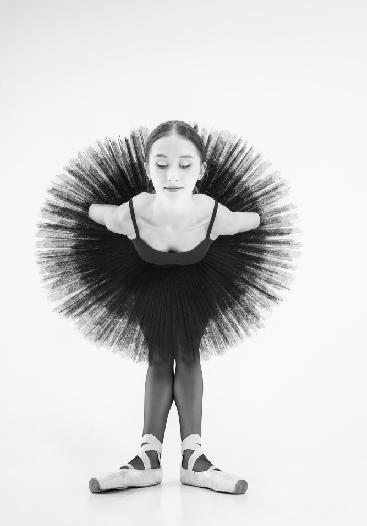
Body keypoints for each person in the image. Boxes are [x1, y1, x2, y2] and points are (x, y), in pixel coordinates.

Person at [35, 120, 300, 495]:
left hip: (199, 285)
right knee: (159, 358)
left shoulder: (213, 214)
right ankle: (148, 457)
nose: (172, 175)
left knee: (189, 355)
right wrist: (83, 206)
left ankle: (194, 459)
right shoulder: (130, 213)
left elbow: (247, 221)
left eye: (184, 165)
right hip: (146, 285)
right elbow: (99, 213)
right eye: (160, 165)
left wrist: (265, 216)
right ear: (147, 169)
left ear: (202, 169)